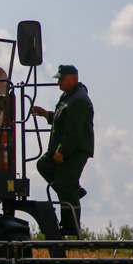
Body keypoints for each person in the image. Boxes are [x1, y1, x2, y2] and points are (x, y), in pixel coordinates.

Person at [31, 64, 94, 237]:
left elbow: (73, 130)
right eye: (58, 78)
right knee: (44, 165)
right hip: (65, 149)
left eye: (62, 78)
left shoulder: (79, 99)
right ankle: (75, 192)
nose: (58, 81)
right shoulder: (69, 97)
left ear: (74, 78)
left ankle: (70, 227)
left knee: (66, 185)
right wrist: (46, 115)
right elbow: (63, 120)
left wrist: (62, 151)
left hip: (74, 151)